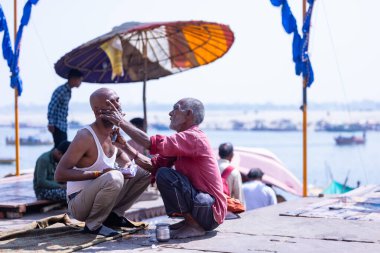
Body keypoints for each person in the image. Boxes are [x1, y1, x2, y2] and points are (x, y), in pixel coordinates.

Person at [99, 97, 227, 239]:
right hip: (203, 207)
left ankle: (194, 226)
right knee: (160, 172)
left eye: (175, 108)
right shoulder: (183, 139)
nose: (170, 113)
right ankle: (190, 222)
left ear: (189, 114)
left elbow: (150, 144)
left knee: (165, 175)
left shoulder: (194, 137)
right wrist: (125, 146)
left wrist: (121, 122)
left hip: (209, 209)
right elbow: (153, 166)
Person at [55, 88, 151, 237]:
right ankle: (93, 225)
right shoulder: (85, 136)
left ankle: (114, 216)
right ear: (97, 110)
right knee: (114, 177)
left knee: (144, 171)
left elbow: (125, 160)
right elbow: (60, 174)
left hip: (102, 198)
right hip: (79, 204)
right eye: (111, 102)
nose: (117, 105)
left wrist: (127, 166)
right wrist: (99, 174)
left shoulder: (113, 133)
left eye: (118, 100)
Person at [47, 69, 83, 148]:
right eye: (80, 80)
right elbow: (51, 106)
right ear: (73, 79)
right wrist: (51, 123)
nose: (80, 83)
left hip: (63, 125)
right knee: (60, 149)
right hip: (57, 125)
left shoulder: (68, 91)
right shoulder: (61, 90)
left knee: (62, 148)